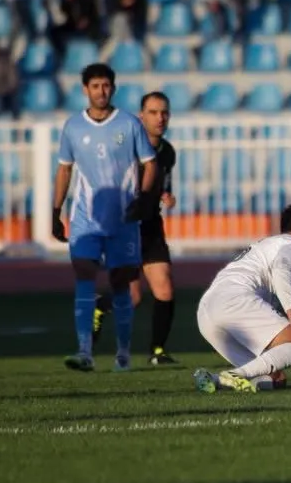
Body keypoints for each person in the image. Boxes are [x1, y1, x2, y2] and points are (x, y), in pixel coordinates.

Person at [52, 63, 158, 372]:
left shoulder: (128, 124)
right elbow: (64, 169)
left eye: (106, 86)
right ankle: (84, 351)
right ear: (85, 89)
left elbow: (149, 165)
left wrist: (143, 200)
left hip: (123, 220)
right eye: (95, 86)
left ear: (113, 88)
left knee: (121, 285)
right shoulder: (73, 127)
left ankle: (123, 353)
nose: (102, 91)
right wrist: (55, 211)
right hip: (85, 218)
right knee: (84, 277)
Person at [192, 204, 291, 393]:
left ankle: (214, 379)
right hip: (235, 300)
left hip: (206, 312)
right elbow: (282, 269)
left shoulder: (266, 245)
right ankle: (235, 374)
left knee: (275, 378)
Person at [93, 92, 179, 365]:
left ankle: (157, 351)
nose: (160, 118)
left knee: (164, 289)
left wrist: (166, 195)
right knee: (132, 297)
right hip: (125, 228)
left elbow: (163, 182)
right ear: (141, 116)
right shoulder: (126, 149)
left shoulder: (167, 151)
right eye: (153, 112)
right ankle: (99, 307)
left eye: (164, 112)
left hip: (151, 225)